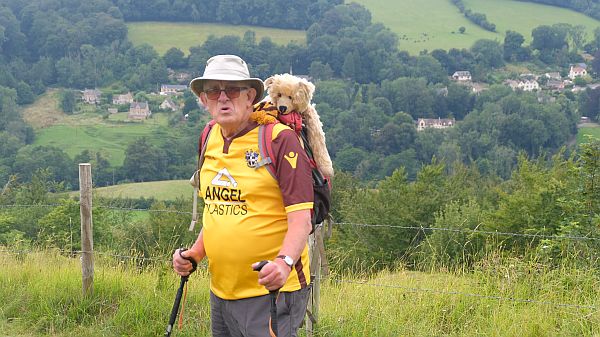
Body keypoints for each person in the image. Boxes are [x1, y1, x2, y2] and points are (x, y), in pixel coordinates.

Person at [172, 54, 314, 337]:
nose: (223, 98)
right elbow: (216, 209)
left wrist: (284, 263)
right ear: (204, 100)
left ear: (250, 96)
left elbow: (302, 220)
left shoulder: (278, 139)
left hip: (271, 291)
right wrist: (195, 254)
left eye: (233, 90)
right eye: (213, 90)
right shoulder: (209, 136)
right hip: (221, 290)